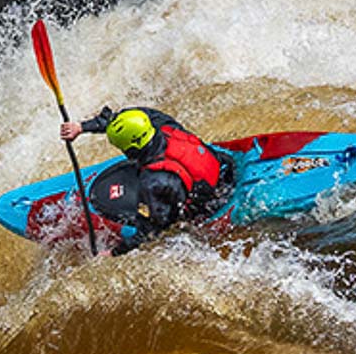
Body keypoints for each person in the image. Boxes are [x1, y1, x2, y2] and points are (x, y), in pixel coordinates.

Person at [60, 106, 234, 249]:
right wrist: (81, 127)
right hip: (223, 167)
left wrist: (115, 252)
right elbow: (117, 118)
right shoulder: (162, 124)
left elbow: (154, 229)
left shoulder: (155, 181)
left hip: (213, 201)